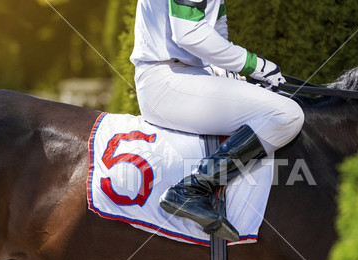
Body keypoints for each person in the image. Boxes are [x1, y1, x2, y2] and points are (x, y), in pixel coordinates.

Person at [130, 0, 304, 241]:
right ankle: (192, 188)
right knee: (287, 114)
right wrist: (258, 66)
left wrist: (227, 71)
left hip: (190, 73)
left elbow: (215, 27)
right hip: (167, 80)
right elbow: (188, 33)